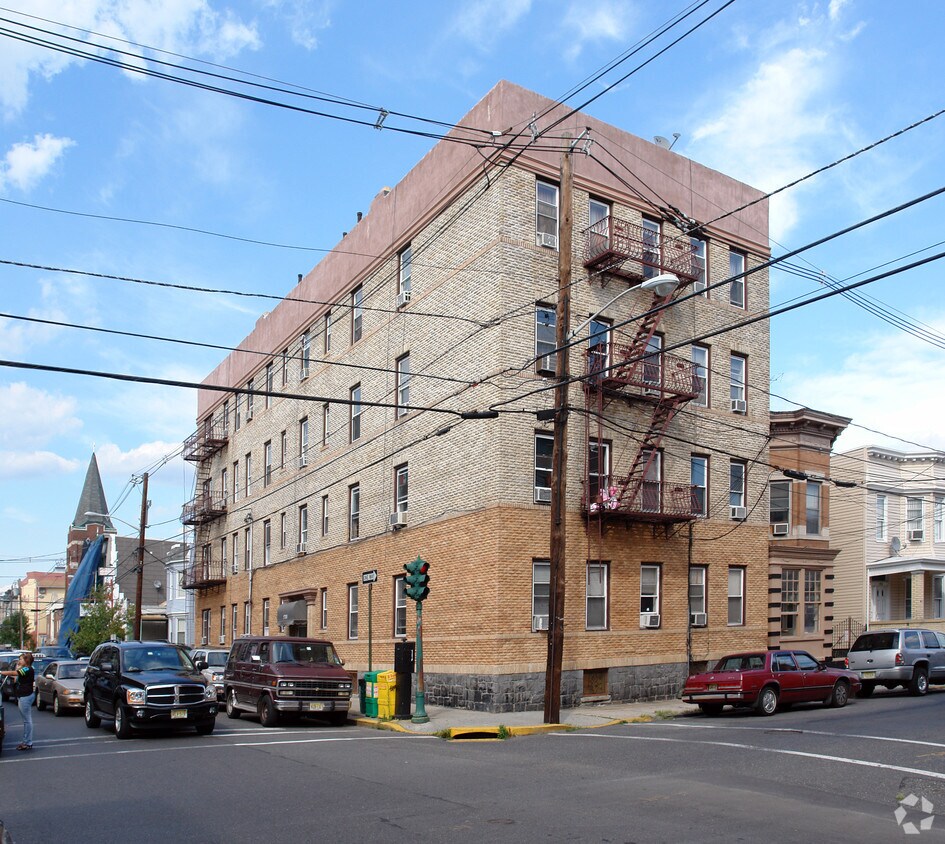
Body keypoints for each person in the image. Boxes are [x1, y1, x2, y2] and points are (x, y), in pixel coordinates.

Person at [1, 652, 35, 751]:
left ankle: (28, 742)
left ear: (27, 660)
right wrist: (18, 666)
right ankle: (26, 741)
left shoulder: (28, 669)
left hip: (25, 696)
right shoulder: (24, 669)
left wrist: (1, 672)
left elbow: (14, 673)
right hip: (22, 696)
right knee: (26, 720)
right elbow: (16, 678)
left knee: (27, 720)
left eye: (21, 659)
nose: (19, 661)